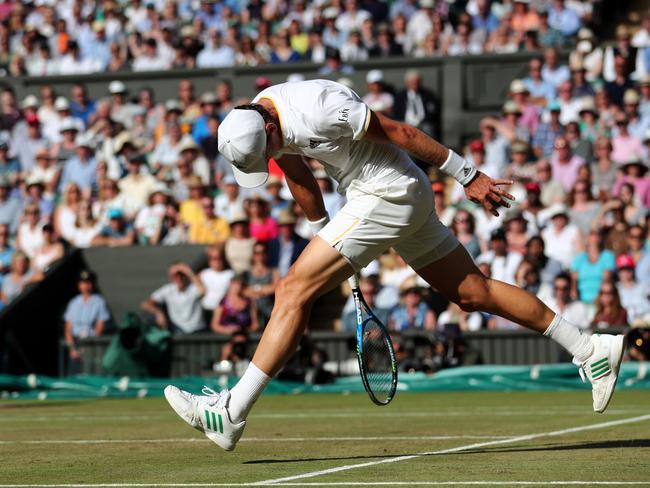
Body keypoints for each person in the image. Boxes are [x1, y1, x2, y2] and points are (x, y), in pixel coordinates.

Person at [164, 79, 626, 451]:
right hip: (390, 197)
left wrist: (469, 175)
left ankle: (231, 412)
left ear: (266, 129)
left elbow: (401, 133)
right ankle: (589, 348)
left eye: (266, 153)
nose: (270, 160)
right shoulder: (264, 112)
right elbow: (299, 173)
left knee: (291, 290)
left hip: (387, 192)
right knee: (472, 293)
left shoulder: (318, 108)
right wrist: (326, 233)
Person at [63, 270, 110, 374]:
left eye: (88, 283)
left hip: (91, 343)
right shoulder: (74, 302)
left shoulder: (99, 302)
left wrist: (88, 348)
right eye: (83, 283)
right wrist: (72, 348)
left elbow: (99, 327)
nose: (85, 286)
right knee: (73, 375)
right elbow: (68, 327)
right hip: (76, 343)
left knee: (89, 373)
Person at [141, 262, 207, 334]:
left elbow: (203, 291)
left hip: (198, 329)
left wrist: (188, 271)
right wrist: (158, 313)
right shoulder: (168, 289)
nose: (179, 278)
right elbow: (145, 304)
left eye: (181, 274)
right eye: (175, 275)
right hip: (178, 330)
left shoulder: (193, 287)